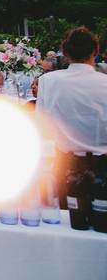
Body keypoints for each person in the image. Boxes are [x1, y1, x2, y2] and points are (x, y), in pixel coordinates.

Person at [37, 27, 107, 204]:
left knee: (68, 224)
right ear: (96, 51)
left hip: (65, 166)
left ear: (65, 52)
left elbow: (42, 126)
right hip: (101, 167)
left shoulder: (49, 81)